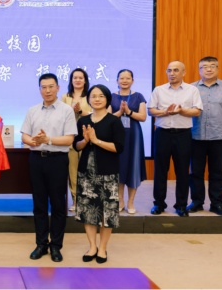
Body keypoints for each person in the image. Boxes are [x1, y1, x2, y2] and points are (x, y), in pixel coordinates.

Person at [21, 73, 77, 263]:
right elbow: (24, 136)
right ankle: (41, 244)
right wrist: (32, 141)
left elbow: (69, 139)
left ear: (58, 88)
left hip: (57, 161)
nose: (47, 90)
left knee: (58, 205)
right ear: (39, 90)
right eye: (43, 87)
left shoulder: (66, 110)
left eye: (51, 86)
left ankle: (56, 246)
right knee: (39, 205)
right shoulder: (32, 110)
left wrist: (48, 140)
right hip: (36, 159)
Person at [74, 84, 125, 264]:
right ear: (88, 99)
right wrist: (85, 140)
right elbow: (76, 146)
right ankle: (92, 247)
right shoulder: (82, 121)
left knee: (107, 213)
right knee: (88, 211)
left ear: (107, 99)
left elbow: (118, 148)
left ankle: (102, 248)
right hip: (86, 173)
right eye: (93, 96)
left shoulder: (114, 121)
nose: (97, 99)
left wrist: (96, 141)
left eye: (101, 96)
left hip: (107, 173)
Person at [148, 61, 202, 217]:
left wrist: (181, 111)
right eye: (169, 70)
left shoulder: (192, 90)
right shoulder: (159, 90)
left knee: (182, 171)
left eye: (176, 70)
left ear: (183, 72)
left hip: (183, 134)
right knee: (160, 171)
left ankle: (181, 205)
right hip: (162, 133)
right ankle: (159, 204)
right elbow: (151, 111)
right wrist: (166, 112)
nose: (172, 73)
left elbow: (197, 111)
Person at [187, 57, 222, 217]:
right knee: (196, 172)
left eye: (212, 66)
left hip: (219, 136)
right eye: (204, 67)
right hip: (195, 135)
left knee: (217, 172)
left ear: (218, 69)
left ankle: (217, 204)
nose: (208, 69)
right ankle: (197, 202)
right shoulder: (191, 88)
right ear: (199, 70)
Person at [108, 69, 147, 214]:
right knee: (119, 167)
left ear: (132, 80)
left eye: (128, 78)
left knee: (133, 167)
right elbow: (107, 117)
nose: (124, 81)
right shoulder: (111, 96)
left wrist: (129, 112)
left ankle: (131, 202)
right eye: (122, 78)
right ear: (117, 80)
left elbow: (143, 117)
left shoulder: (139, 96)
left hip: (134, 136)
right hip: (116, 135)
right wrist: (120, 112)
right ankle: (120, 200)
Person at [61, 68, 92, 211]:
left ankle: (88, 199)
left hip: (87, 137)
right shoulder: (65, 97)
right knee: (72, 171)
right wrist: (71, 111)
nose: (78, 80)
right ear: (71, 80)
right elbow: (60, 115)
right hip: (70, 137)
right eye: (75, 77)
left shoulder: (90, 95)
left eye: (81, 77)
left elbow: (94, 113)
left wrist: (80, 111)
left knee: (87, 171)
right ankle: (75, 200)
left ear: (85, 80)